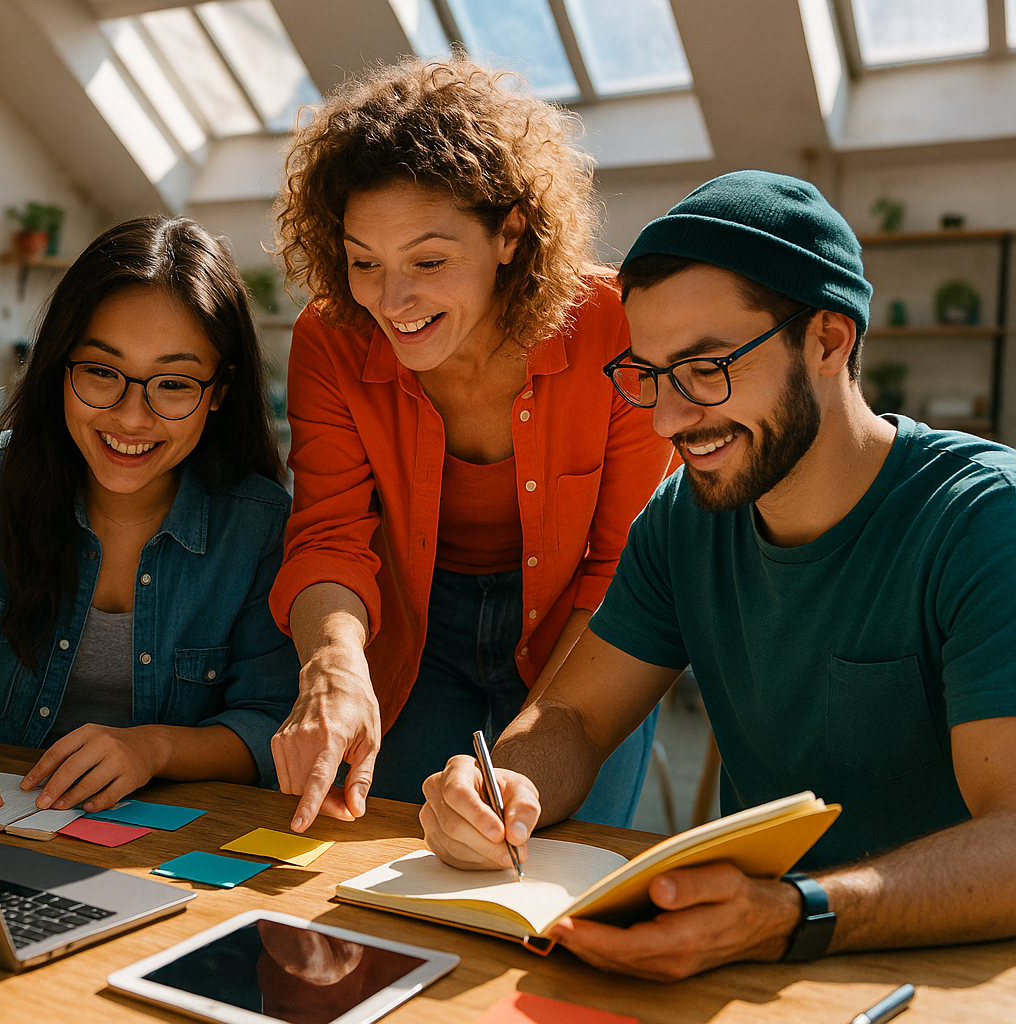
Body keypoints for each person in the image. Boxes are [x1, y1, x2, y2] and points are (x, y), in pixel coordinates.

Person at [420, 170, 1016, 980]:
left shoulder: (985, 521)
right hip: (739, 956)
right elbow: (575, 717)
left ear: (829, 340)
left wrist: (788, 915)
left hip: (950, 969)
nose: (669, 418)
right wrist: (501, 788)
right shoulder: (684, 520)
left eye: (707, 368)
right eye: (652, 375)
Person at [267, 57, 674, 832]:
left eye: (428, 261)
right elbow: (329, 535)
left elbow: (623, 566)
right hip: (413, 633)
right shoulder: (330, 337)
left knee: (533, 859)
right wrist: (333, 664)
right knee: (382, 856)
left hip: (586, 632)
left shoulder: (617, 327)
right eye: (363, 262)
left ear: (510, 233)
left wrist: (534, 747)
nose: (392, 301)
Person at [0, 215, 299, 822]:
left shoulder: (259, 524)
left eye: (172, 384)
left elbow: (267, 722)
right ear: (59, 366)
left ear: (219, 391)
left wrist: (154, 748)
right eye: (101, 372)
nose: (130, 418)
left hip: (160, 843)